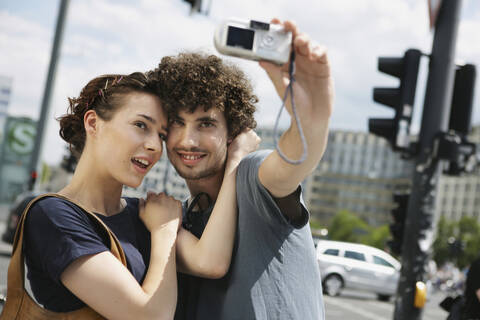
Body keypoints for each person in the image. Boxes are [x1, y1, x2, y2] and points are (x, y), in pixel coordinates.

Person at [23, 72, 259, 319]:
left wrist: (236, 160)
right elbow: (150, 317)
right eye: (141, 125)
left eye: (161, 135)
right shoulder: (53, 216)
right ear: (93, 123)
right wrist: (164, 232)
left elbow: (211, 262)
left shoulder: (144, 213)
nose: (155, 147)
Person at [150, 19, 333, 320]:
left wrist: (313, 117)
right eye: (176, 123)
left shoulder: (252, 175)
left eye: (205, 123)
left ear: (234, 131)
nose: (187, 140)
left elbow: (295, 160)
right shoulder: (177, 220)